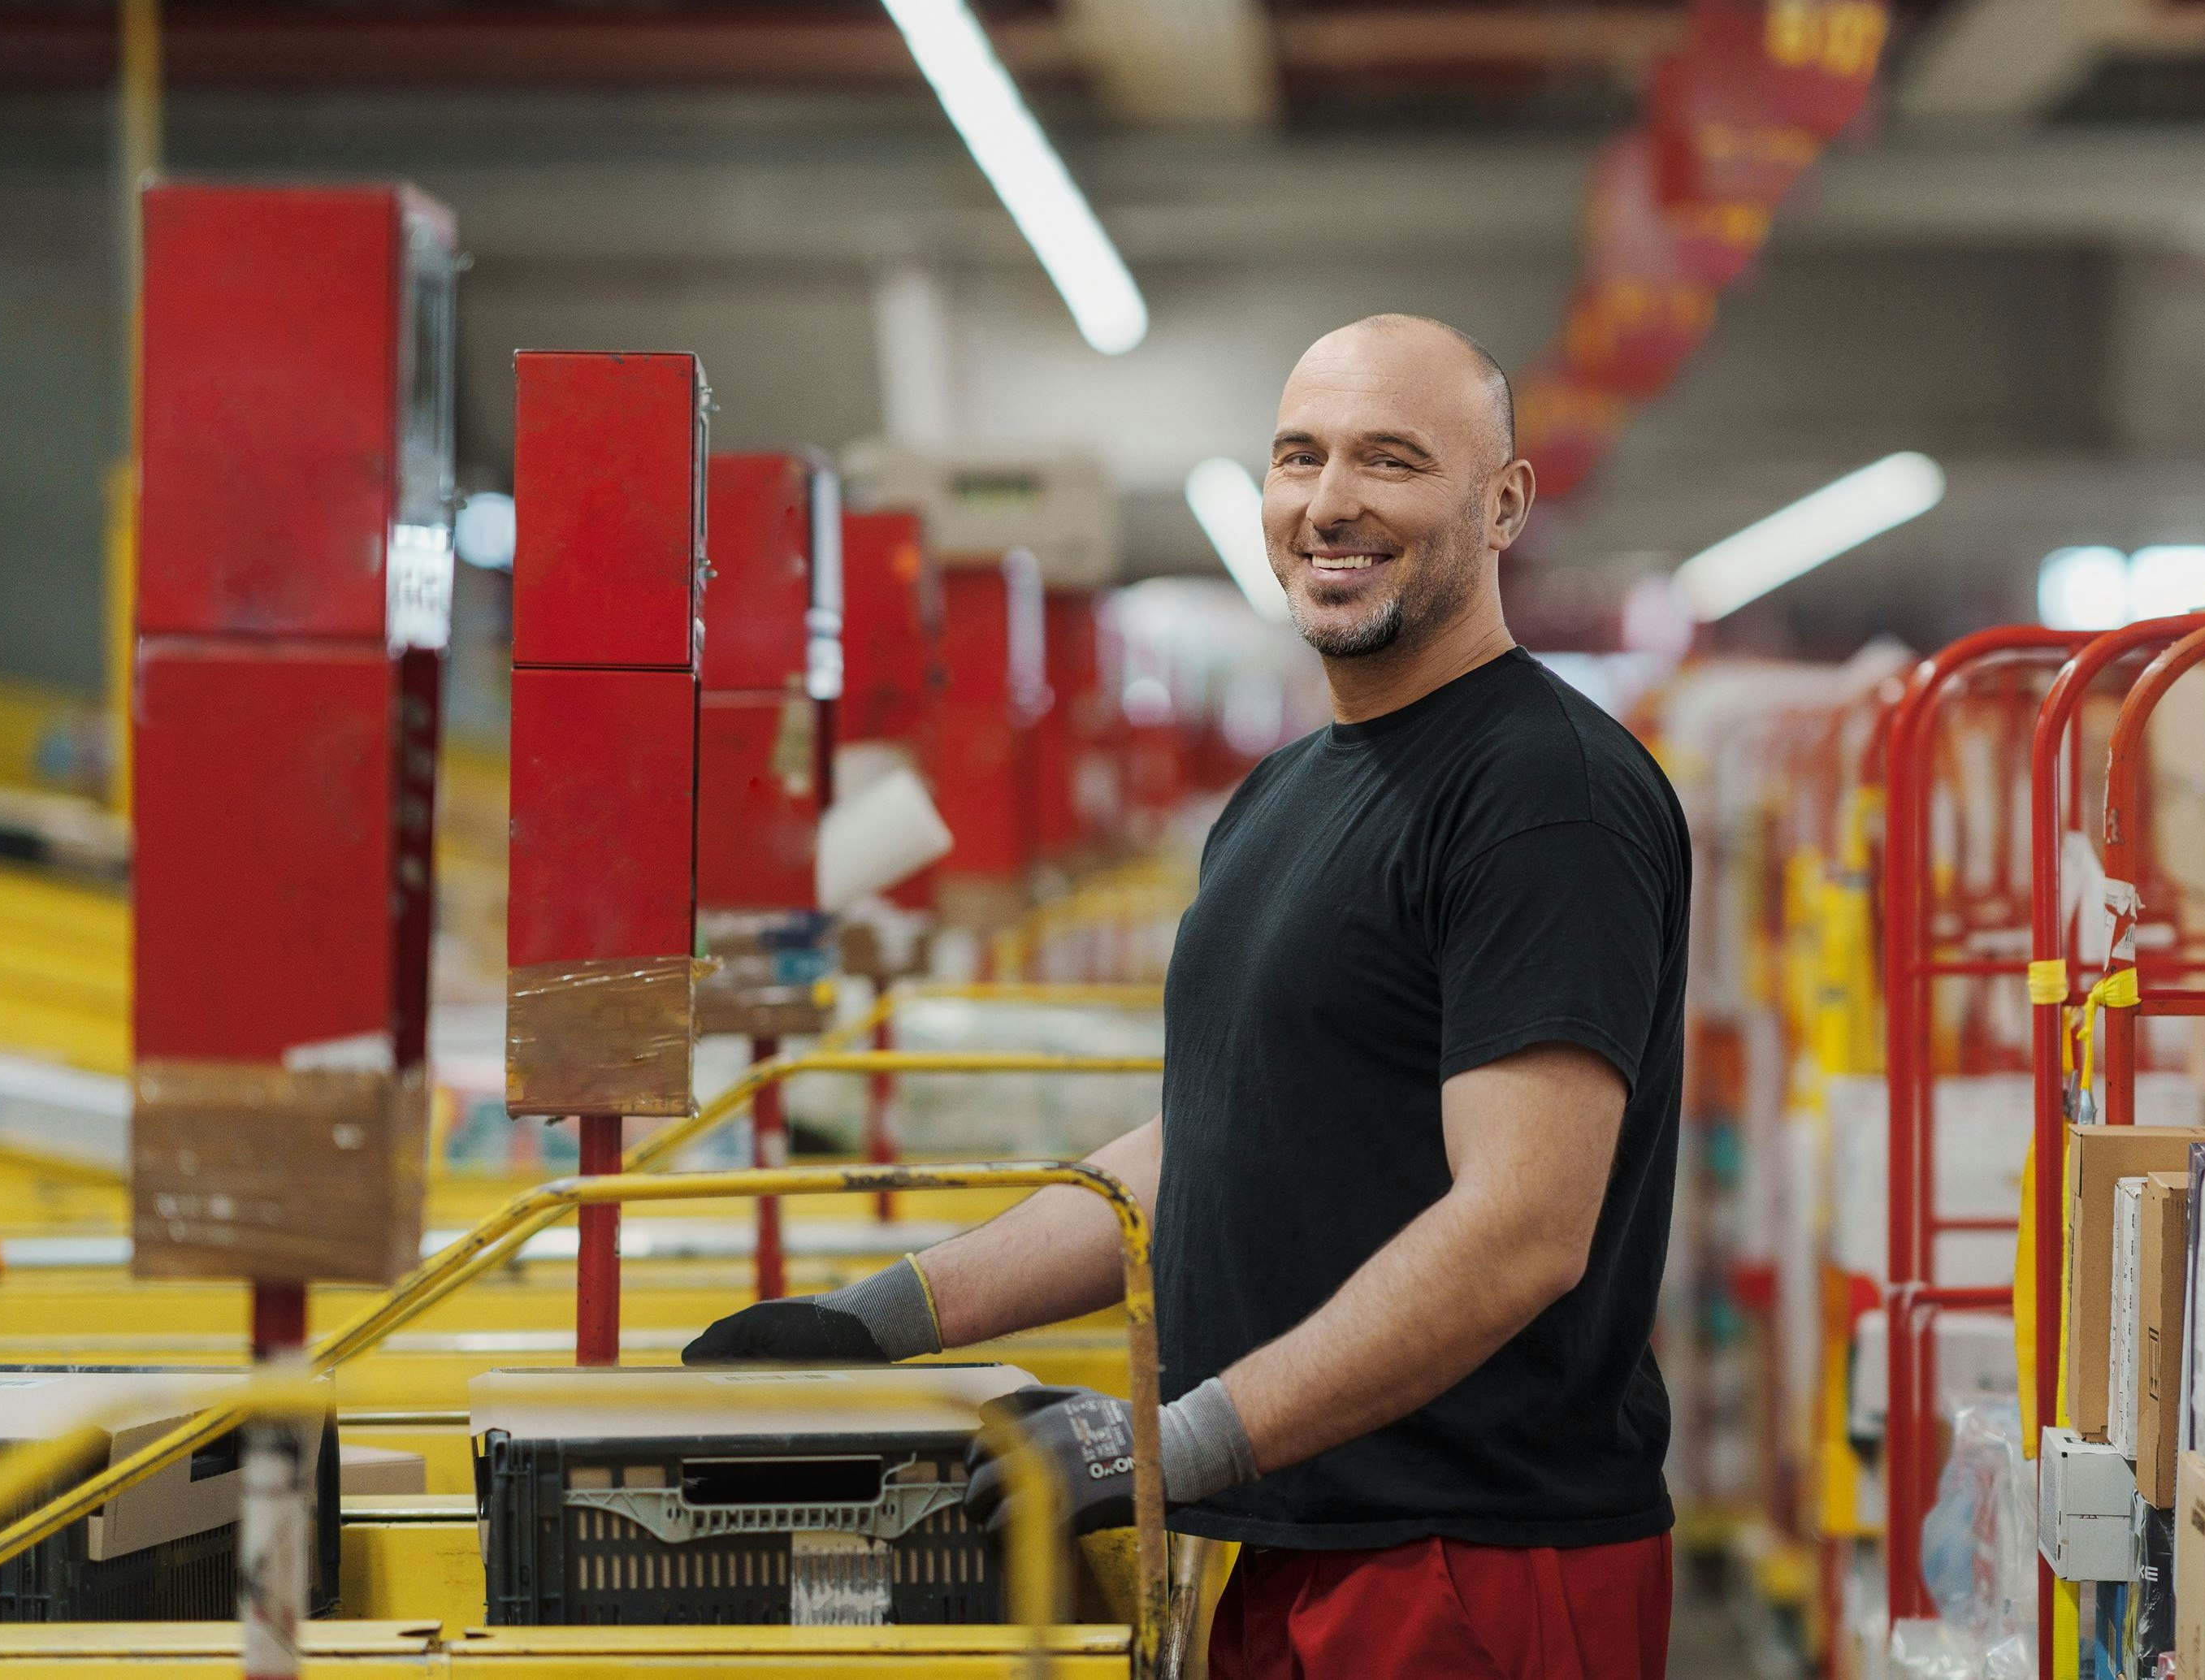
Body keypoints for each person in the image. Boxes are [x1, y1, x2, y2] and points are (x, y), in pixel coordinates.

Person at [687, 313, 1691, 1679]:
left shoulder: (1541, 794)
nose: (1331, 502)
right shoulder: (1282, 797)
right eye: (1300, 457)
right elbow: (1212, 1143)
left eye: (1392, 461)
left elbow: (1522, 1228)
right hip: (1294, 1535)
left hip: (1470, 1570)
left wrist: (1164, 1440)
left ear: (1502, 502)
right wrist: (883, 1319)